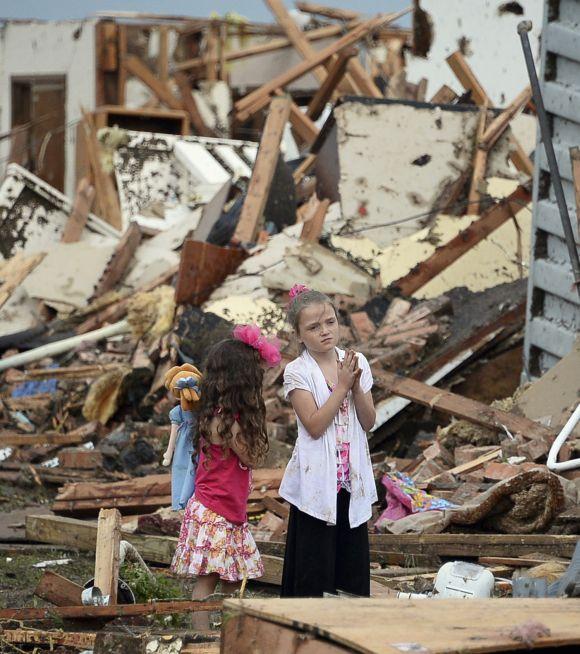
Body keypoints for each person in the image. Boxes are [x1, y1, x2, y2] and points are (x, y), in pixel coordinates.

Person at [171, 325, 280, 629]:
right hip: (217, 512)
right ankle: (203, 636)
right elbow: (251, 457)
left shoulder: (212, 414)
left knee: (231, 578)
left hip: (220, 509)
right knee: (212, 581)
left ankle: (227, 634)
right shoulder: (231, 424)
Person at [280, 284, 377, 598]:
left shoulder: (355, 360)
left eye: (330, 322)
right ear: (299, 335)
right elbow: (315, 425)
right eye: (313, 327)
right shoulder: (297, 372)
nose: (325, 331)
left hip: (350, 479)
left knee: (351, 567)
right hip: (317, 481)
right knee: (313, 567)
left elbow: (368, 421)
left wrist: (357, 386)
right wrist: (342, 386)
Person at [162, 363, 203, 510]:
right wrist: (169, 452)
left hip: (200, 439)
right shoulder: (178, 412)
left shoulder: (202, 408)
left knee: (198, 471)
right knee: (182, 469)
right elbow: (174, 432)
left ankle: (196, 499)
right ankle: (183, 501)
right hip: (184, 444)